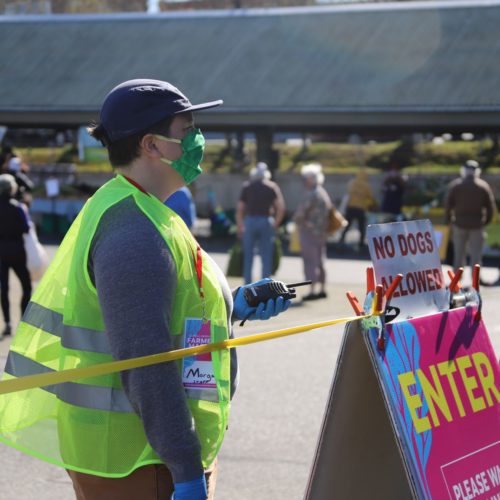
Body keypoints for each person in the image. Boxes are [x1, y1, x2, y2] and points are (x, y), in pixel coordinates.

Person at [0, 79, 290, 500]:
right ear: (152, 146)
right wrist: (187, 471)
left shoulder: (142, 208)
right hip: (139, 458)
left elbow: (160, 311)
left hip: (143, 449)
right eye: (186, 129)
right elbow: (146, 362)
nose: (198, 140)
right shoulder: (135, 231)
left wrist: (233, 304)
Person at [236, 162, 285, 284]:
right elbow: (281, 207)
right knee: (266, 256)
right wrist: (276, 223)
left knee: (248, 256)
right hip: (266, 221)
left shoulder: (247, 187)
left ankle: (247, 284)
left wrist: (240, 225)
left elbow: (240, 209)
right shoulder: (272, 187)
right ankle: (265, 284)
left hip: (250, 221)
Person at [445, 159, 496, 271]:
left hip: (459, 224)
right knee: (476, 257)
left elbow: (448, 206)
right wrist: (485, 221)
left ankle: (456, 283)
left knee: (458, 256)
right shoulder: (483, 186)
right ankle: (475, 283)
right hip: (477, 226)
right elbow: (491, 208)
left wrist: (450, 221)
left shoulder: (456, 185)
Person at [293, 163, 332, 300]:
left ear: (311, 179)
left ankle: (312, 290)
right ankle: (322, 288)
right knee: (320, 260)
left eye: (305, 177)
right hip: (321, 232)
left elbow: (299, 215)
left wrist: (299, 222)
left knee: (310, 261)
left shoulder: (310, 194)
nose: (303, 180)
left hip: (309, 232)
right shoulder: (322, 192)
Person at [0, 174, 32, 338]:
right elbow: (26, 228)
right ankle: (23, 321)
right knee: (26, 286)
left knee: (4, 288)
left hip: (1, 251)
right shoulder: (17, 207)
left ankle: (7, 323)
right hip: (17, 250)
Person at [338, 170, 376, 250]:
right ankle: (361, 243)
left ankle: (341, 240)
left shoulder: (352, 183)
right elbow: (370, 197)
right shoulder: (366, 185)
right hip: (360, 208)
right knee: (361, 227)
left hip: (350, 207)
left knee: (347, 225)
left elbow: (348, 193)